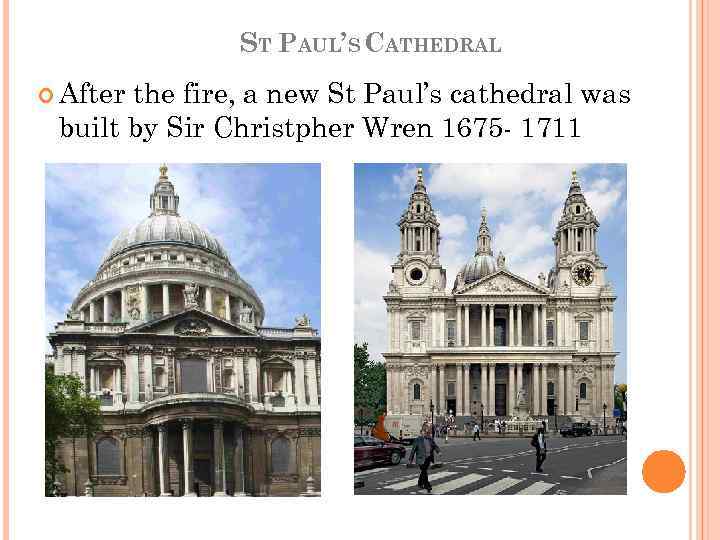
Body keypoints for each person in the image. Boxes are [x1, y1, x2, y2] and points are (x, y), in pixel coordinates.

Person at [408, 425, 441, 493]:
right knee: (424, 471)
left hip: (428, 458)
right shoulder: (417, 440)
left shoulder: (430, 439)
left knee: (424, 471)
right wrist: (410, 460)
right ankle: (427, 485)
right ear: (421, 432)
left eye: (426, 431)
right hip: (421, 459)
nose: (425, 433)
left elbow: (435, 446)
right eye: (424, 431)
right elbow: (413, 450)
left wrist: (438, 452)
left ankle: (420, 483)